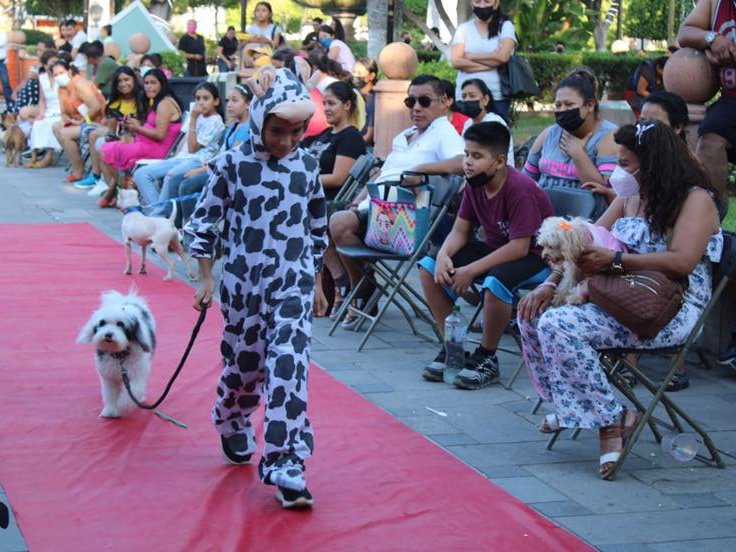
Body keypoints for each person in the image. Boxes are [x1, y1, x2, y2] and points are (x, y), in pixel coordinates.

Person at [517, 121, 722, 479]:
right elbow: (587, 239)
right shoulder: (631, 197)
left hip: (668, 307)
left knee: (558, 324)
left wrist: (616, 261)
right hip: (620, 292)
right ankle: (576, 407)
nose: (619, 172)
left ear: (654, 163)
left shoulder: (695, 200)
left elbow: (682, 261)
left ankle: (611, 421)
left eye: (627, 164)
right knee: (533, 313)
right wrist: (549, 283)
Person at [186, 67, 326, 509]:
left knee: (290, 364)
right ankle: (230, 416)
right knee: (245, 368)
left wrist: (318, 281)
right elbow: (203, 223)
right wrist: (206, 277)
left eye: (297, 131)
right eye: (277, 130)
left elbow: (317, 227)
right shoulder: (233, 162)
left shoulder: (307, 164)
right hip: (243, 287)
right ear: (260, 121)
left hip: (294, 283)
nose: (287, 141)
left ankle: (286, 462)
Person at [419, 121, 553, 388]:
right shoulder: (474, 183)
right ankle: (453, 348)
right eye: (467, 154)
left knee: (495, 281)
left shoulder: (520, 189)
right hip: (497, 249)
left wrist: (471, 270)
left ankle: (487, 357)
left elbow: (520, 247)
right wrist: (444, 254)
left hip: (537, 257)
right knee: (429, 265)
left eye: (477, 156)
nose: (467, 162)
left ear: (500, 161)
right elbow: (460, 230)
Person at [330, 75, 465, 327]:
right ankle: (355, 285)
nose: (416, 107)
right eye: (410, 100)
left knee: (338, 223)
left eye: (424, 101)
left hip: (404, 219)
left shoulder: (443, 131)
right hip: (377, 207)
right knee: (319, 219)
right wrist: (356, 200)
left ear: (445, 102)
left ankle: (361, 289)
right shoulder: (406, 135)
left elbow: (461, 163)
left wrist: (422, 169)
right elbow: (383, 173)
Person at [678, 0, 736, 217]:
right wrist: (712, 39)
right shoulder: (715, 2)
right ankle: (710, 220)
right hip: (732, 100)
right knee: (710, 135)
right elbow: (684, 32)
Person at [167, 85, 253, 225]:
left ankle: (193, 230)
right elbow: (222, 152)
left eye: (234, 100)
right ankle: (175, 228)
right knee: (174, 181)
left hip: (228, 173)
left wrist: (202, 170)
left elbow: (231, 158)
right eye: (228, 100)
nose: (229, 105)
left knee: (187, 186)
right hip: (217, 166)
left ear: (248, 104)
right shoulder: (234, 125)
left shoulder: (246, 128)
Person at [98, 69, 183, 207]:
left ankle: (126, 189)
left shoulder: (164, 104)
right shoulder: (157, 101)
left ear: (162, 84)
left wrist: (137, 128)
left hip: (157, 149)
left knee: (107, 150)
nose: (149, 86)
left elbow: (160, 135)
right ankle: (126, 188)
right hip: (147, 143)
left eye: (153, 83)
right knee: (108, 147)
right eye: (146, 83)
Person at [522, 72, 618, 195]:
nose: (562, 110)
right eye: (558, 105)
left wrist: (577, 154)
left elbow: (605, 193)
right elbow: (525, 180)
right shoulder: (549, 134)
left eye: (569, 104)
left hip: (587, 213)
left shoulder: (609, 136)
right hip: (544, 209)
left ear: (589, 105)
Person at [135, 81, 224, 209]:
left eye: (206, 98)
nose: (201, 102)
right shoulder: (196, 115)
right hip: (181, 158)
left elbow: (193, 148)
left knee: (170, 176)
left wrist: (193, 119)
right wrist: (173, 158)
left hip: (197, 160)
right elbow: (183, 141)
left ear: (216, 101)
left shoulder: (216, 121)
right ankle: (158, 210)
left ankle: (158, 213)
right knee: (141, 174)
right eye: (198, 98)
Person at [75, 66, 149, 193]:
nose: (123, 84)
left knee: (101, 143)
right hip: (123, 137)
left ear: (134, 80)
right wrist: (111, 136)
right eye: (119, 81)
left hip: (141, 139)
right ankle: (110, 186)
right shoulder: (116, 103)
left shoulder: (144, 99)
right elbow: (112, 129)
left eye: (127, 79)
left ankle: (111, 186)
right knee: (102, 143)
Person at [451, 0, 517, 121]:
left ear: (496, 3)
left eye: (487, 1)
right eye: (477, 1)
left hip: (496, 96)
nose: (482, 5)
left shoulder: (506, 26)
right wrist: (492, 63)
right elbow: (456, 61)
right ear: (472, 3)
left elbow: (503, 57)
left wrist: (470, 56)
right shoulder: (463, 29)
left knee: (496, 136)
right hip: (466, 97)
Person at [50, 60, 108, 182]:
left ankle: (79, 171)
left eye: (61, 72)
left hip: (95, 121)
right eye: (55, 75)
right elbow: (63, 111)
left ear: (69, 71)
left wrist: (81, 121)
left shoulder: (80, 84)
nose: (59, 77)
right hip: (77, 120)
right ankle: (77, 165)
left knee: (64, 133)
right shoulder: (62, 89)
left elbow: (95, 107)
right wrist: (65, 117)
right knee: (56, 126)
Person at [457, 78, 514, 164]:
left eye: (472, 96)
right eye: (464, 96)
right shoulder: (468, 124)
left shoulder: (494, 123)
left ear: (485, 100)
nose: (467, 100)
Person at [24, 51, 61, 168]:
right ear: (45, 66)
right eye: (52, 62)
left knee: (50, 124)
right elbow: (42, 100)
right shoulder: (42, 78)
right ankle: (34, 155)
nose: (54, 65)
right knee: (37, 124)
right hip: (48, 110)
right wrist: (41, 113)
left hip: (61, 110)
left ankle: (49, 156)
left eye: (56, 62)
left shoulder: (62, 77)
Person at [352, 58, 377, 145]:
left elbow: (369, 136)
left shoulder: (373, 98)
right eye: (354, 72)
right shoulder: (353, 93)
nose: (355, 76)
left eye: (359, 73)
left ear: (371, 76)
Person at [0, 30, 14, 110]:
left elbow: (1, 42)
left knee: (6, 84)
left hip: (1, 62)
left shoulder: (2, 34)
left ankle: (11, 106)